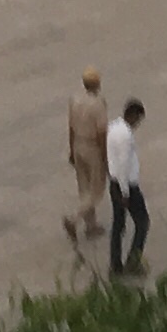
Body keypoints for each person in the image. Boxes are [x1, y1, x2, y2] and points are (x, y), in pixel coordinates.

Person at [63, 69, 109, 257]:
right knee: (96, 189)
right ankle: (74, 219)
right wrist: (105, 157)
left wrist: (72, 149)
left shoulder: (75, 99)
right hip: (92, 148)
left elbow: (71, 126)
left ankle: (91, 225)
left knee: (83, 186)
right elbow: (101, 133)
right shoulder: (98, 104)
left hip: (78, 144)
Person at [104, 99, 149, 277]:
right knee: (142, 222)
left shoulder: (113, 127)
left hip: (114, 182)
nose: (137, 124)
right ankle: (133, 261)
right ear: (132, 115)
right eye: (138, 119)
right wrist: (125, 192)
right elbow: (123, 164)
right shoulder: (125, 136)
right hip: (126, 186)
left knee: (118, 225)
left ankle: (115, 264)